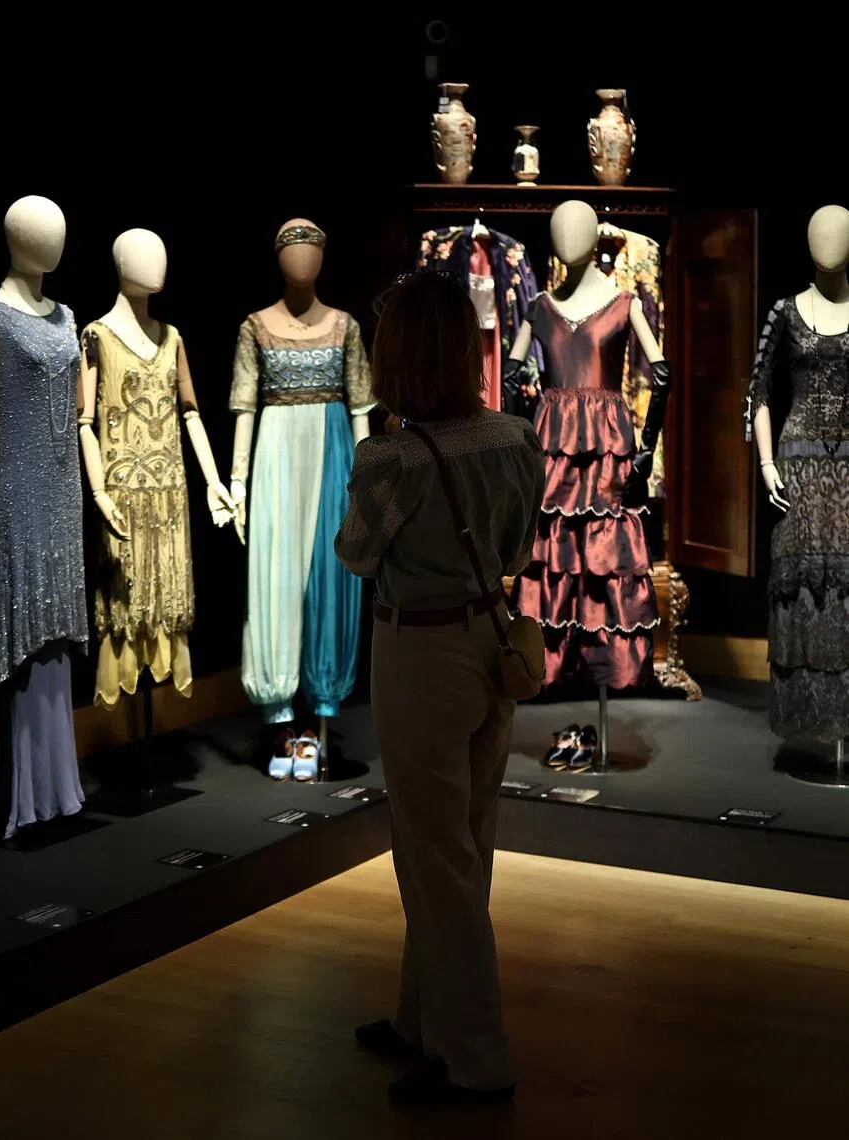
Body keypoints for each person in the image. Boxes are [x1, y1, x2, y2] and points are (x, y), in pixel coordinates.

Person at [335, 271, 545, 1107]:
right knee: (464, 845)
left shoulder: (387, 457)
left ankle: (477, 1059)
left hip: (418, 655)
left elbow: (355, 554)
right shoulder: (513, 437)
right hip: (492, 644)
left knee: (434, 858)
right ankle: (421, 1020)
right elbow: (521, 547)